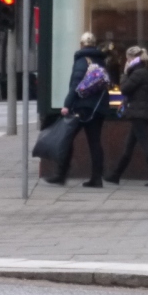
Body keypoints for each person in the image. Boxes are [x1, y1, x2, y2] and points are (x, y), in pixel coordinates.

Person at [46, 32, 111, 188]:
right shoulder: (101, 61)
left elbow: (76, 84)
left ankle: (61, 174)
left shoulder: (82, 60)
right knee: (95, 143)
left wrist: (67, 104)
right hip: (98, 107)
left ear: (81, 45)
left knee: (66, 138)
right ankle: (96, 178)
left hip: (82, 107)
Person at [105, 46, 148, 187]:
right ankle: (115, 175)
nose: (126, 61)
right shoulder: (146, 70)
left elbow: (124, 89)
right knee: (129, 145)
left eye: (127, 59)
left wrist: (125, 73)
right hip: (141, 111)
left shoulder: (139, 72)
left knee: (146, 145)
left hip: (139, 113)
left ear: (132, 58)